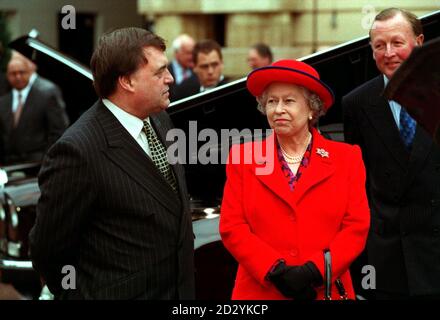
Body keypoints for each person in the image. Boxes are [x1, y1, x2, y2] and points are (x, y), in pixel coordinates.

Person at [29, 27, 195, 300]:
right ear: (127, 81)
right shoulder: (78, 151)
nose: (170, 78)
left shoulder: (161, 119)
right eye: (159, 72)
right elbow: (48, 251)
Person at [220, 59, 370, 300]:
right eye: (271, 101)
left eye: (289, 101)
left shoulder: (346, 158)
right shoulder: (243, 158)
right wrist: (274, 270)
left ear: (312, 108)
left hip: (324, 290)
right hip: (261, 291)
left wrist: (315, 271)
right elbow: (232, 227)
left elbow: (356, 228)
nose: (278, 109)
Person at [343, 8, 440, 299]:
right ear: (371, 51)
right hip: (387, 259)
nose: (389, 53)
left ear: (419, 42)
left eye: (397, 43)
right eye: (379, 46)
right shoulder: (356, 103)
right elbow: (358, 183)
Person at [0, 54, 68, 164]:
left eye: (21, 72)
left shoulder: (46, 94)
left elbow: (58, 131)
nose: (18, 77)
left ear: (30, 73)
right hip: (9, 165)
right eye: (13, 73)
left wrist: (48, 160)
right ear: (7, 76)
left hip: (38, 163)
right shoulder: (3, 100)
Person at [168, 34, 198, 101]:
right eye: (188, 53)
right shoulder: (166, 71)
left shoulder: (198, 70)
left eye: (193, 53)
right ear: (176, 53)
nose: (192, 56)